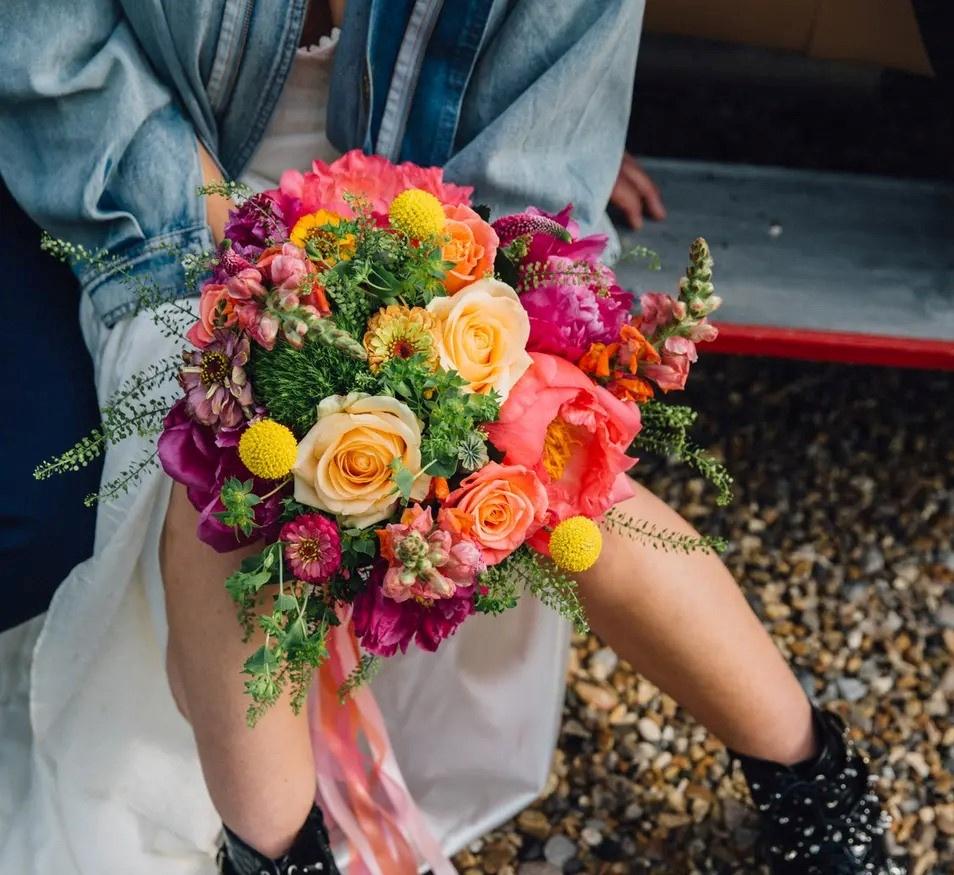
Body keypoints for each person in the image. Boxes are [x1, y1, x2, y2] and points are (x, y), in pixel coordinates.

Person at [0, 2, 897, 874]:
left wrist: (430, 315)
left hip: (429, 237)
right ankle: (277, 855)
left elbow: (531, 179)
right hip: (168, 213)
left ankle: (812, 778)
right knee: (230, 478)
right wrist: (259, 263)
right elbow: (53, 58)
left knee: (568, 484)